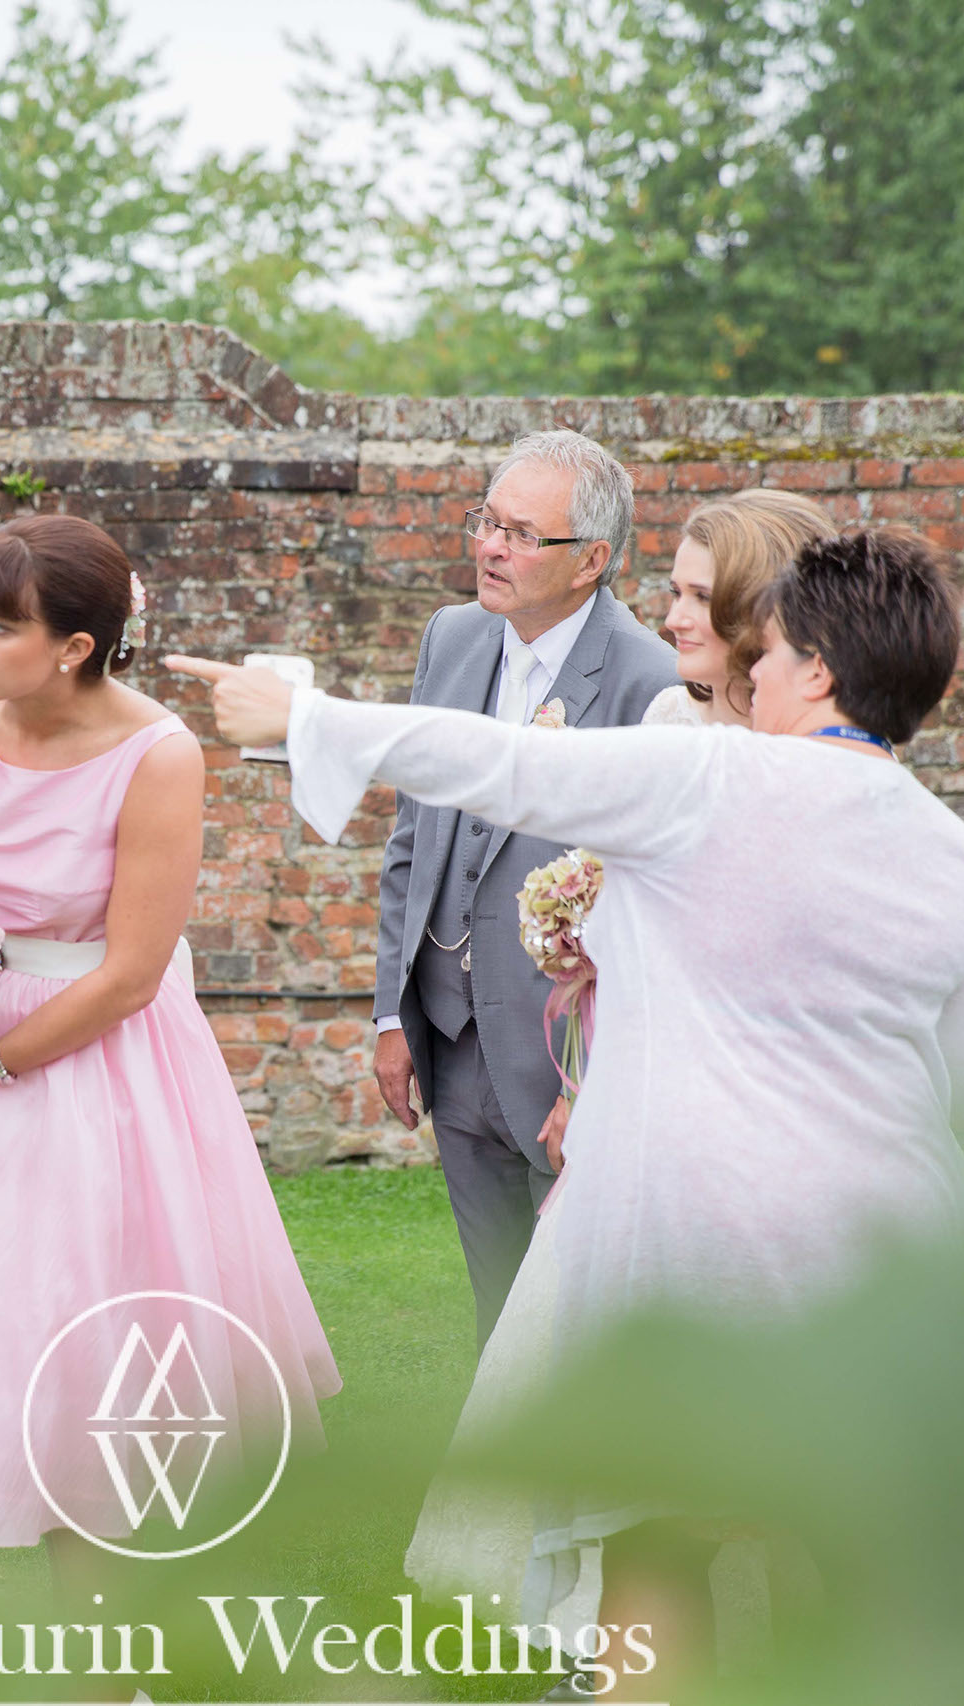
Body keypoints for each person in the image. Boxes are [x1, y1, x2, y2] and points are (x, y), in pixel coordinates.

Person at [166, 530, 964, 1690]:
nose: (754, 661)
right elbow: (954, 1077)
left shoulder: (705, 775)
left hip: (687, 1220)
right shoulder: (958, 858)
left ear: (822, 672)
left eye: (776, 646)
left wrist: (304, 715)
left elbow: (498, 762)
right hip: (895, 1242)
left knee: (655, 1544)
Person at [0, 514, 340, 1560]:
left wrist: (1, 1058)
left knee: (89, 1325)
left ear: (74, 648)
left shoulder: (157, 754)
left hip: (99, 1064)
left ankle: (101, 1614)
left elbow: (129, 973)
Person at [372, 431, 679, 1341]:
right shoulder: (453, 637)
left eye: (520, 535)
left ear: (592, 560)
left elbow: (655, 907)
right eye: (486, 522)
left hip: (565, 1068)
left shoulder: (649, 684)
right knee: (495, 1316)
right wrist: (392, 1015)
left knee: (577, 1322)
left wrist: (596, 1079)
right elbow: (411, 834)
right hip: (448, 1042)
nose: (490, 548)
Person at [643, 487, 835, 728]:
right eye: (676, 593)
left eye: (703, 597)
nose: (674, 620)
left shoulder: (832, 738)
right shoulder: (669, 715)